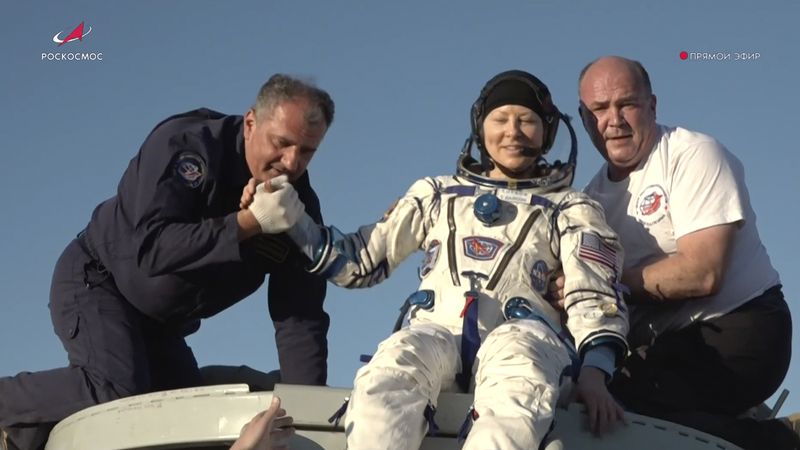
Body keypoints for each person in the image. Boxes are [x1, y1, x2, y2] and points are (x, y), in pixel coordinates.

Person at [242, 70, 630, 449]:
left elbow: (594, 294)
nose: (512, 131)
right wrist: (294, 220)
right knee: (388, 375)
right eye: (501, 119)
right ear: (480, 127)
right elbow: (361, 261)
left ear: (547, 132)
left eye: (526, 120)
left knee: (518, 389)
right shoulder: (435, 195)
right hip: (437, 330)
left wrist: (594, 373)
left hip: (523, 337)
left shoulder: (571, 207)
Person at [0, 74, 334, 450]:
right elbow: (150, 248)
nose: (291, 162)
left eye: (306, 151)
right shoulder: (188, 146)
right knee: (116, 392)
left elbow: (300, 316)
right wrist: (245, 225)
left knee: (183, 422)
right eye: (282, 143)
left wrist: (310, 416)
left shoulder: (299, 210)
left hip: (162, 326)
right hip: (99, 281)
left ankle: (23, 437)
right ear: (251, 122)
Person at [572, 55, 798, 449]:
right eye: (599, 109)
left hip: (742, 327)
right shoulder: (590, 201)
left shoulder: (694, 154)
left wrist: (599, 279)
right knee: (582, 395)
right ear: (584, 117)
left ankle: (781, 439)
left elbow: (702, 272)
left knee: (621, 407)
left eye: (626, 103)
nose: (615, 120)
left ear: (652, 105)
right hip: (666, 343)